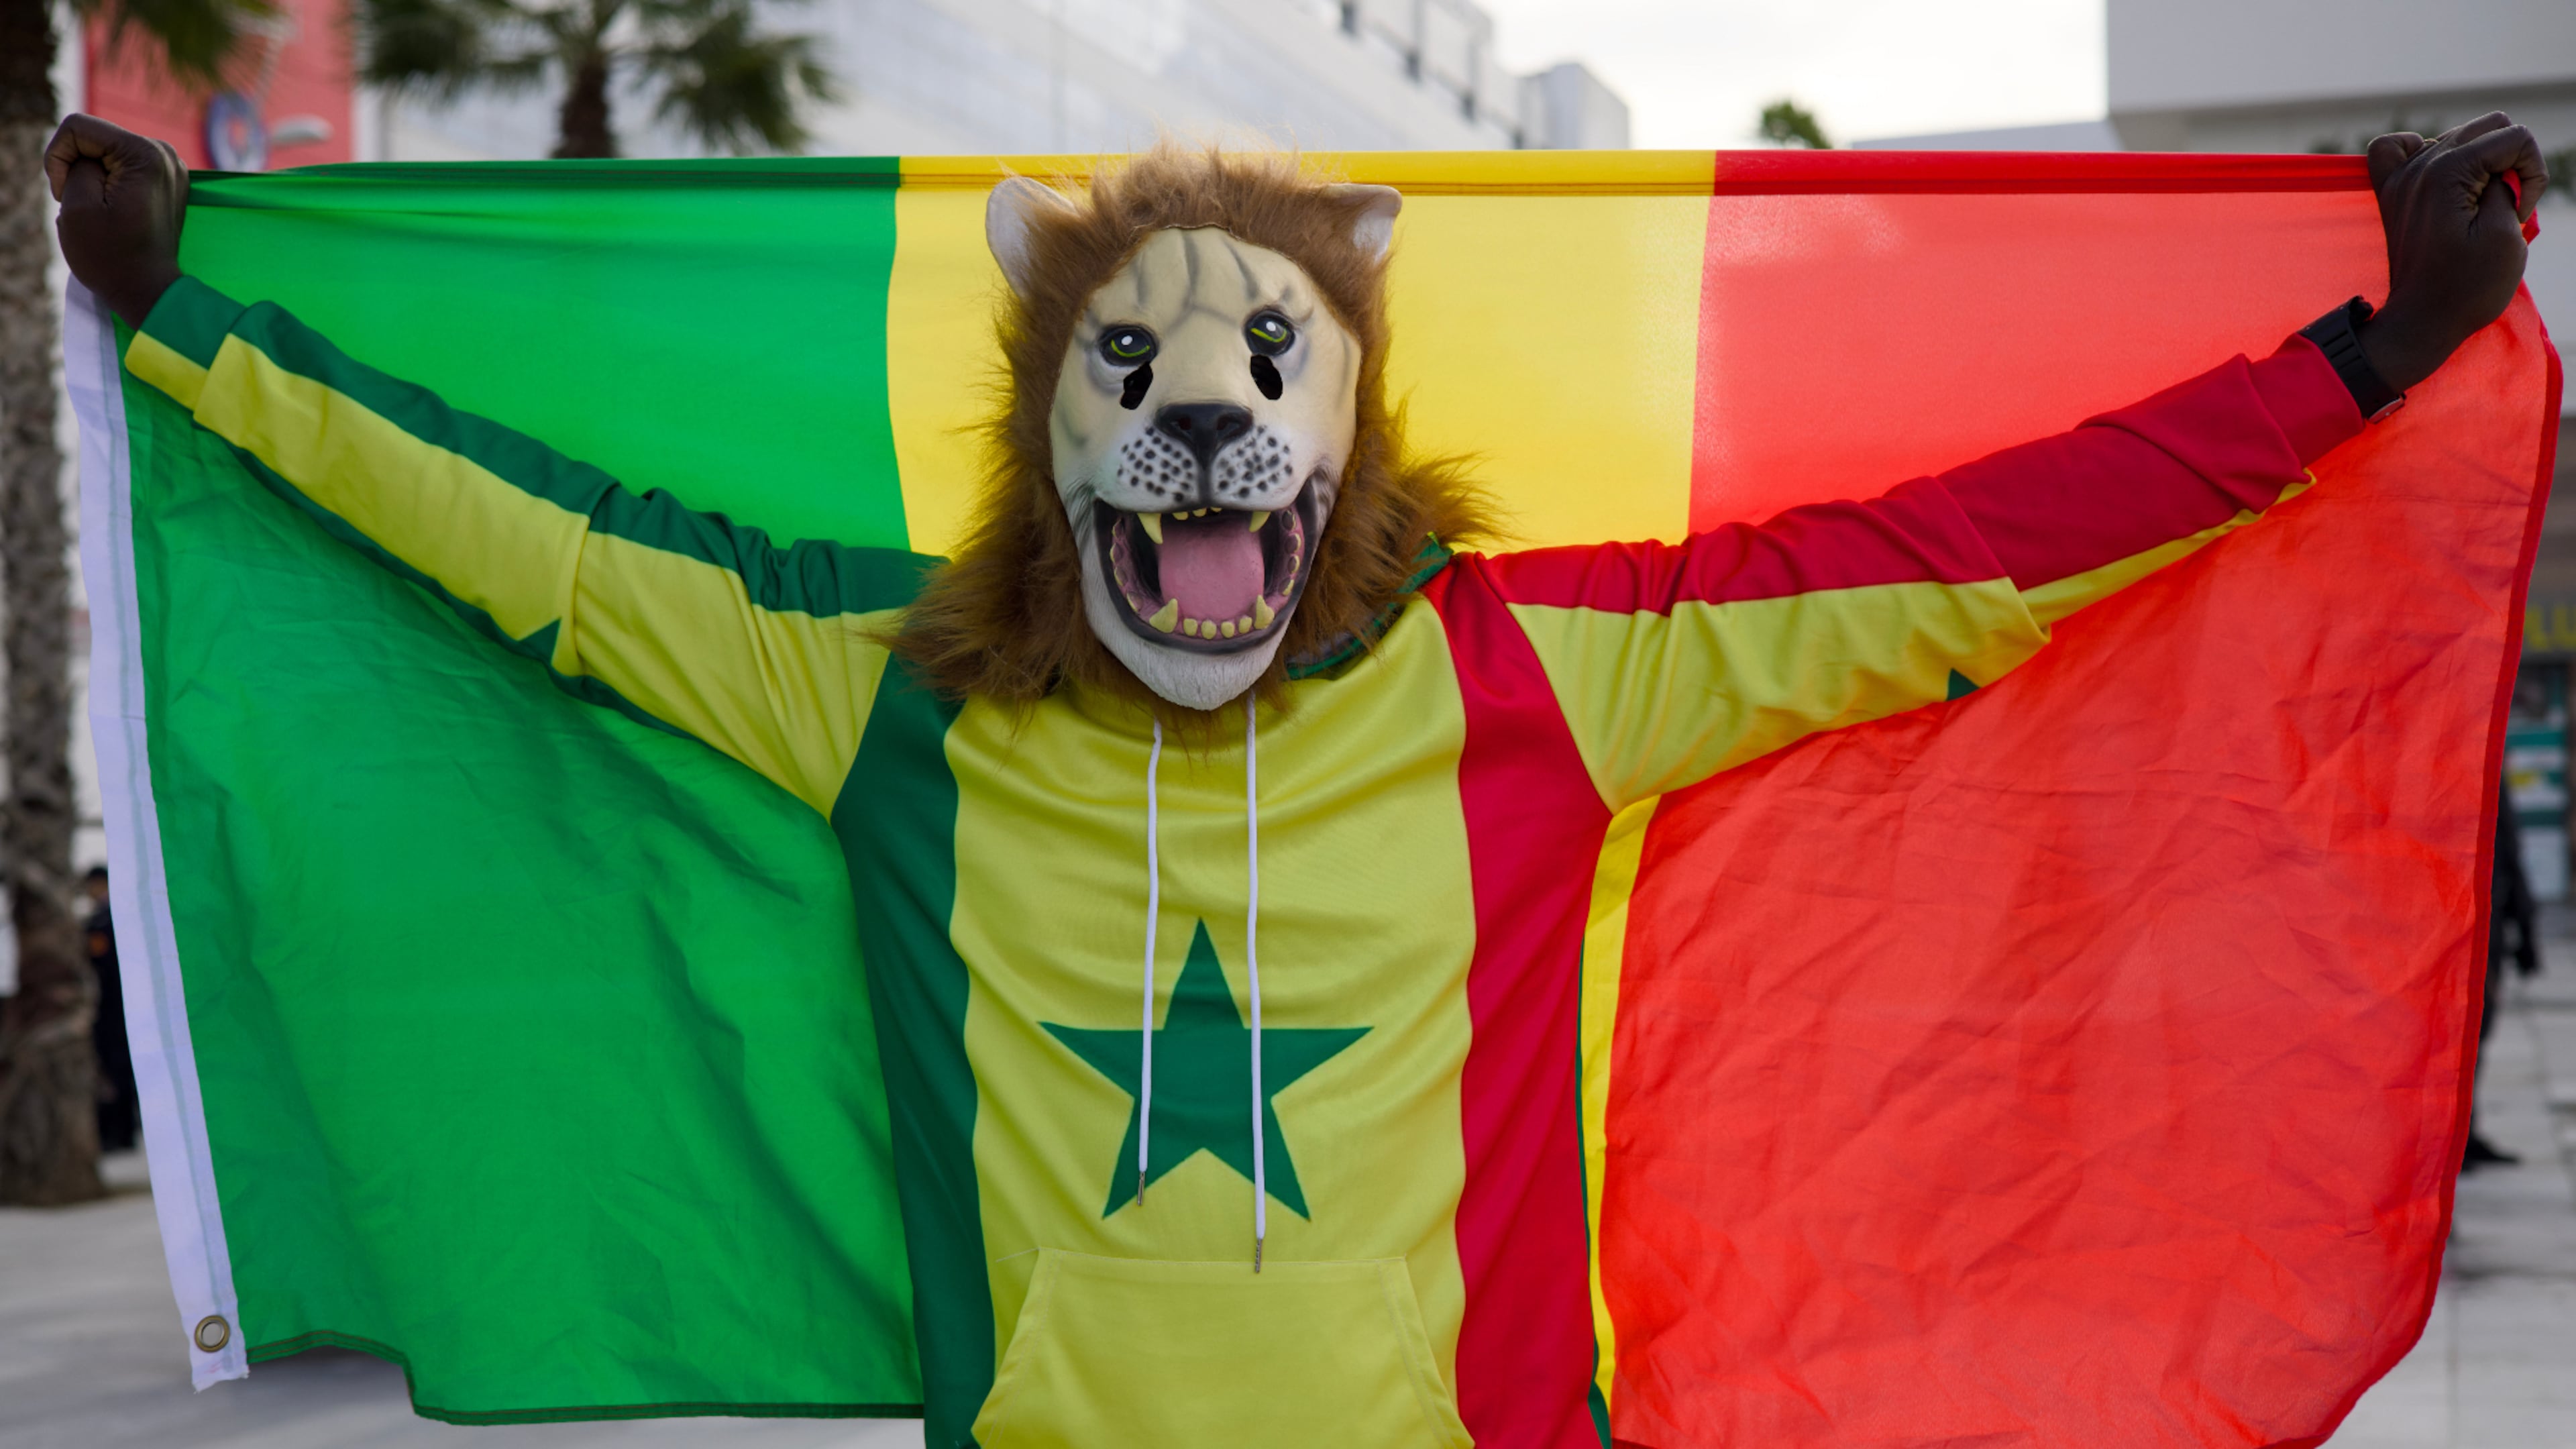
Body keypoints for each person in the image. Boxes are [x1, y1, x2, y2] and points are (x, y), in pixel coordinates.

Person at [42, 113, 2546, 1444]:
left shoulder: (1534, 675)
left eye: (1264, 374)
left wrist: (2361, 356)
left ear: (1341, 429)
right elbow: (550, 555)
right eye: (1137, 377)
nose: (1211, 424)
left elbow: (1969, 558)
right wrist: (191, 329)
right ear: (1055, 428)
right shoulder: (892, 693)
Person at [2466, 777, 2545, 1169]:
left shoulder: (2487, 767)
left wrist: (2525, 928)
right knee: (2462, 1035)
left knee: (2475, 1035)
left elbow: (2509, 852)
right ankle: (2453, 1138)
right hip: (2468, 926)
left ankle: (2463, 1133)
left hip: (2487, 921)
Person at [83, 865, 139, 1152]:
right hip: (108, 1007)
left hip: (116, 1006)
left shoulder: (112, 917)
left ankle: (123, 1133)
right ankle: (118, 1132)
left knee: (119, 1067)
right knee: (111, 1067)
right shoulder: (99, 917)